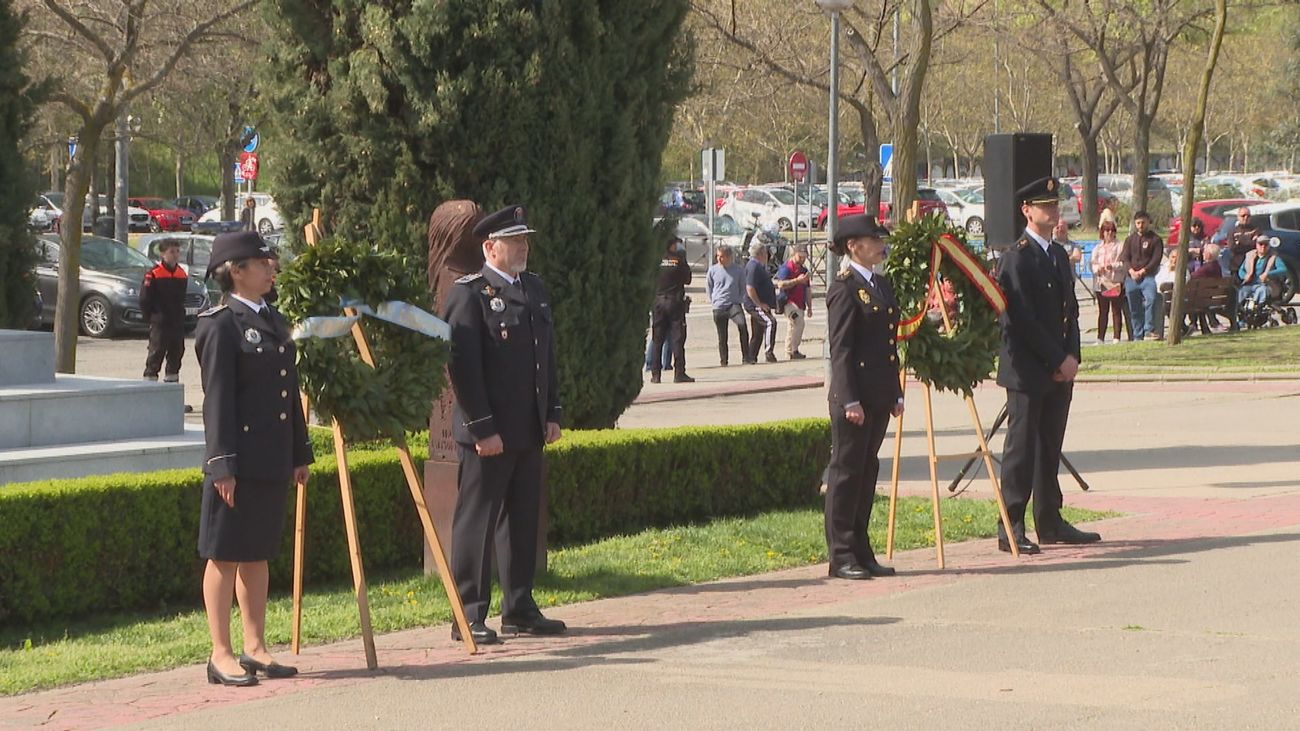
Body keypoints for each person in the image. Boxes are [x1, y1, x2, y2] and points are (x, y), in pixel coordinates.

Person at [441, 204, 565, 646]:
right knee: (477, 520)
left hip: (528, 428)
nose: (523, 247)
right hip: (487, 433)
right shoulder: (469, 294)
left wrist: (552, 412)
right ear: (490, 248)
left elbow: (544, 358)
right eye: (515, 241)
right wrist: (481, 427)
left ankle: (519, 606)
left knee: (522, 519)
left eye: (525, 239)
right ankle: (467, 612)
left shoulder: (534, 289)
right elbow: (462, 367)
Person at [194, 231, 312, 686]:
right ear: (235, 271)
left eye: (270, 261)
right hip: (237, 461)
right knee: (224, 555)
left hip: (270, 457)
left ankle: (255, 646)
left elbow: (288, 392)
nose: (270, 269)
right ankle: (219, 653)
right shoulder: (220, 323)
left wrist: (299, 452)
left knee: (257, 553)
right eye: (260, 263)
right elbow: (217, 400)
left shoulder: (275, 319)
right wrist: (222, 463)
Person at [995, 176, 1098, 554]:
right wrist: (1056, 359)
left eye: (1055, 206)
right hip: (1027, 369)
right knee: (1021, 450)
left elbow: (1068, 313)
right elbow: (1019, 320)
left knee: (1049, 447)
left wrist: (1071, 358)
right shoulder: (1016, 257)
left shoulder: (1056, 255)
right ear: (1027, 211)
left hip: (1059, 369)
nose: (1053, 212)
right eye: (1045, 206)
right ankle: (1011, 525)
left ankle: (1050, 520)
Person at [823, 214, 903, 580]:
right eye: (873, 240)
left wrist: (894, 392)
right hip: (853, 398)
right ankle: (840, 554)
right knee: (846, 474)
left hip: (877, 395)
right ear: (853, 246)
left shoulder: (881, 285)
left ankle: (860, 549)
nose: (880, 245)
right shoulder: (844, 288)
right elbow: (841, 350)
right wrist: (849, 399)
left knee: (868, 472)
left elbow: (888, 346)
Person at [140, 237, 188, 382]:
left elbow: (181, 298)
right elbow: (145, 299)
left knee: (177, 351)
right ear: (162, 254)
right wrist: (151, 317)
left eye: (177, 251)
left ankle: (172, 380)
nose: (175, 255)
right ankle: (150, 380)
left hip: (176, 321)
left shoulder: (181, 273)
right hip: (160, 321)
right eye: (171, 251)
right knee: (157, 351)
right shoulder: (154, 273)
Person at [649, 236, 694, 383]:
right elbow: (688, 279)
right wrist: (684, 260)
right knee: (677, 338)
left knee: (657, 339)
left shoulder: (655, 260)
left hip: (658, 301)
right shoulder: (678, 261)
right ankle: (679, 372)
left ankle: (655, 374)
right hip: (674, 302)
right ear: (672, 246)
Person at [1120, 210, 1163, 341]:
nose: (1140, 225)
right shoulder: (1130, 240)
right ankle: (1137, 335)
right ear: (1135, 223)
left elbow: (1156, 259)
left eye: (1143, 222)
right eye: (1138, 223)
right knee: (1134, 308)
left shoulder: (1155, 239)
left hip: (1147, 278)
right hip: (1131, 279)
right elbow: (1125, 258)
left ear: (1148, 222)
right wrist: (1131, 271)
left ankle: (1148, 329)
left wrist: (1143, 271)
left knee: (1151, 299)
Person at [705, 244, 752, 365]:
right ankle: (724, 360)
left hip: (733, 304)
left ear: (729, 257)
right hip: (719, 306)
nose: (719, 259)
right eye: (718, 256)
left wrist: (739, 299)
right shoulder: (713, 270)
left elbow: (743, 287)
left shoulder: (738, 270)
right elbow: (709, 287)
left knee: (742, 325)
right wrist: (713, 300)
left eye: (722, 257)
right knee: (722, 335)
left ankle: (746, 357)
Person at [1090, 219, 1126, 344]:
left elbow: (1124, 263)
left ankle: (1116, 337)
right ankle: (1100, 338)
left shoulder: (1120, 246)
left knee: (1116, 310)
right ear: (1102, 233)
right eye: (1107, 230)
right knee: (1103, 311)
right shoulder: (1097, 248)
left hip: (1115, 281)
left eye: (1112, 230)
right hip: (1102, 282)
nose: (1109, 233)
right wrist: (1097, 269)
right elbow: (1093, 263)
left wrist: (1113, 266)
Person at [773, 244, 813, 359]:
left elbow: (808, 289)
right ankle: (790, 350)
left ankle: (792, 350)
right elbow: (780, 284)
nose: (802, 259)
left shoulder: (803, 270)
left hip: (800, 303)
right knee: (797, 321)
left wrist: (809, 306)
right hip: (788, 302)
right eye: (800, 256)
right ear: (794, 254)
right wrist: (797, 280)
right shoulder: (787, 268)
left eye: (804, 257)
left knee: (794, 326)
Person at [744, 241, 779, 363]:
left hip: (761, 303)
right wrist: (759, 304)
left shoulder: (757, 266)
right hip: (755, 304)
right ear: (761, 254)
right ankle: (769, 352)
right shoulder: (753, 266)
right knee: (770, 322)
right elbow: (750, 288)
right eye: (766, 253)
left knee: (758, 331)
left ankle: (751, 357)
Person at [1238, 234, 1286, 308]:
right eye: (1260, 244)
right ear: (1256, 245)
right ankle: (1240, 311)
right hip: (1251, 284)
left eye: (1266, 244)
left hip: (1267, 285)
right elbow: (1241, 270)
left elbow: (1283, 270)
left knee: (1261, 290)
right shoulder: (1250, 255)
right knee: (1242, 291)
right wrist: (1245, 276)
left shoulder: (1274, 257)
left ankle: (1257, 308)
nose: (1263, 246)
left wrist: (1268, 274)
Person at [1224, 207, 1260, 275]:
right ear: (1238, 217)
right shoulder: (1232, 231)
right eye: (1243, 215)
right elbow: (1232, 247)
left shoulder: (1256, 230)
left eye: (1248, 216)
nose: (1246, 218)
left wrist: (1240, 243)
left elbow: (1257, 247)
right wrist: (1250, 243)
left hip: (1253, 266)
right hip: (1236, 266)